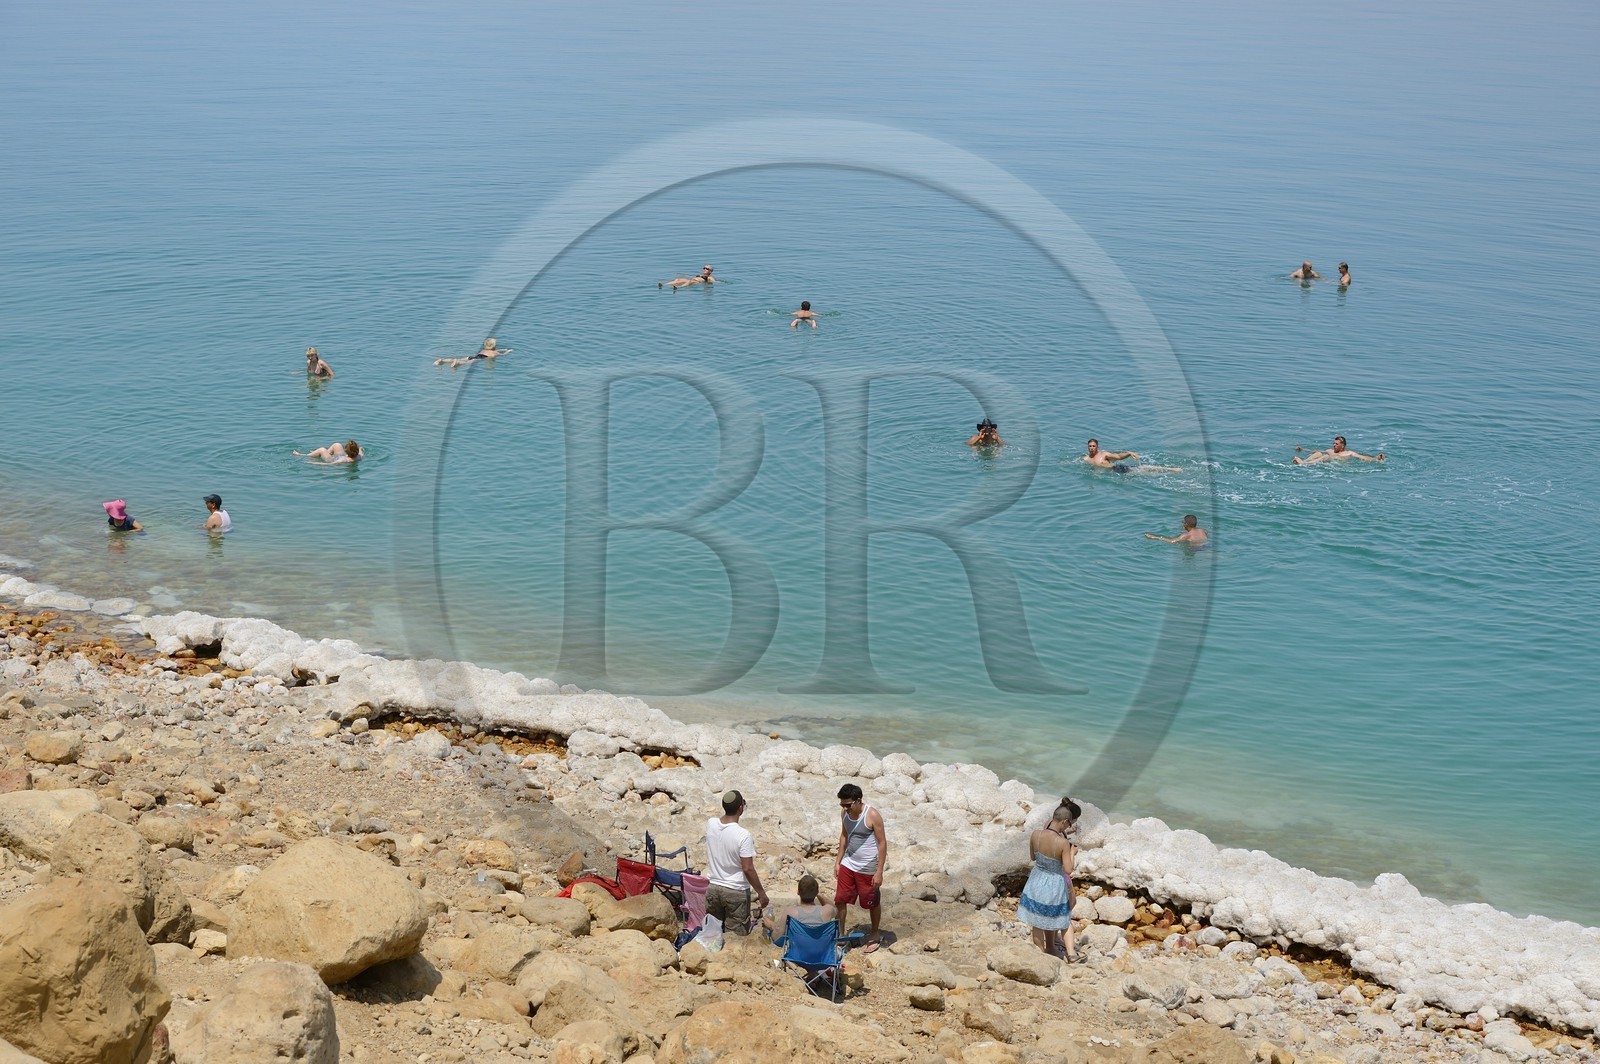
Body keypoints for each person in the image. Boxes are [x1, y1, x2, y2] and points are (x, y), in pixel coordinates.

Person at [1018, 799, 1081, 961]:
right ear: (1066, 821)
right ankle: (1068, 952)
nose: (1068, 827)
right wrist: (1072, 853)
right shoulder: (1063, 843)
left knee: (1036, 921)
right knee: (1062, 917)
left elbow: (1033, 857)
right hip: (1054, 883)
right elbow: (1068, 869)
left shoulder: (1035, 834)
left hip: (1036, 880)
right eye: (1068, 825)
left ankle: (1040, 955)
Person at [704, 790, 769, 937]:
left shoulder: (711, 824)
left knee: (713, 935)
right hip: (735, 891)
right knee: (735, 940)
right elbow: (748, 868)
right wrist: (761, 893)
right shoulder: (743, 835)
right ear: (741, 808)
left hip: (714, 887)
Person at [836, 784, 888, 953]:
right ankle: (841, 935)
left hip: (868, 866)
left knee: (871, 902)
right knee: (840, 899)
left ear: (858, 801)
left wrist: (879, 871)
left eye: (848, 804)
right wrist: (838, 861)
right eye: (842, 805)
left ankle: (874, 933)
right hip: (849, 863)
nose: (845, 808)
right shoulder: (845, 813)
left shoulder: (872, 815)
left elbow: (882, 843)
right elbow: (844, 836)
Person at [762, 873, 838, 938]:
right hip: (824, 955)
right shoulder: (827, 910)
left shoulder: (790, 912)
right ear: (816, 892)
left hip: (797, 955)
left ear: (798, 892)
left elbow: (778, 939)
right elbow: (835, 908)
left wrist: (773, 926)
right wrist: (818, 894)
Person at [1293, 435, 1385, 464]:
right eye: (1334, 443)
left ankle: (1303, 464)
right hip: (1327, 460)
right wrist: (1302, 450)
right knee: (1319, 453)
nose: (1334, 445)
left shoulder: (1349, 453)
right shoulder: (1330, 450)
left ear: (1343, 446)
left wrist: (1376, 458)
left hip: (1337, 464)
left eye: (1336, 444)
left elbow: (1363, 457)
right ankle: (1304, 462)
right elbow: (1313, 451)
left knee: (1326, 456)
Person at [434, 338, 509, 370]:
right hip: (478, 359)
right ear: (494, 346)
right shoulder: (495, 353)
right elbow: (503, 355)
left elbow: (493, 351)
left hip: (473, 357)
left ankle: (442, 361)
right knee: (464, 363)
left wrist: (503, 349)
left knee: (462, 359)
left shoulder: (483, 350)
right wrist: (508, 351)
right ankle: (457, 362)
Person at [295, 440, 362, 464]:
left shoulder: (342, 460)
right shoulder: (359, 456)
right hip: (343, 456)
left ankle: (302, 455)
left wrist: (313, 462)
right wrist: (361, 449)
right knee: (337, 445)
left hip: (331, 460)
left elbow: (329, 464)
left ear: (346, 451)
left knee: (322, 449)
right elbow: (360, 452)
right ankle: (317, 453)